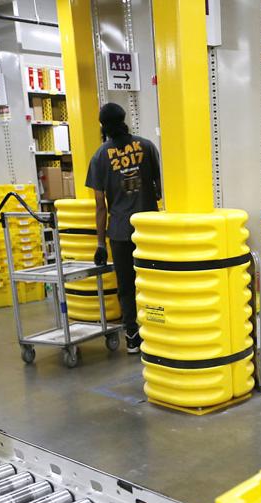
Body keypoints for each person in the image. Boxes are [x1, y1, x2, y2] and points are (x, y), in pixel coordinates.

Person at [85, 102, 162, 354]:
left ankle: (132, 336)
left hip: (119, 233)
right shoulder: (147, 146)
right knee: (154, 282)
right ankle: (159, 333)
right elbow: (161, 189)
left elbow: (100, 206)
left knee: (127, 286)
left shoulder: (98, 157)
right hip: (150, 231)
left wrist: (99, 244)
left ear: (103, 127)